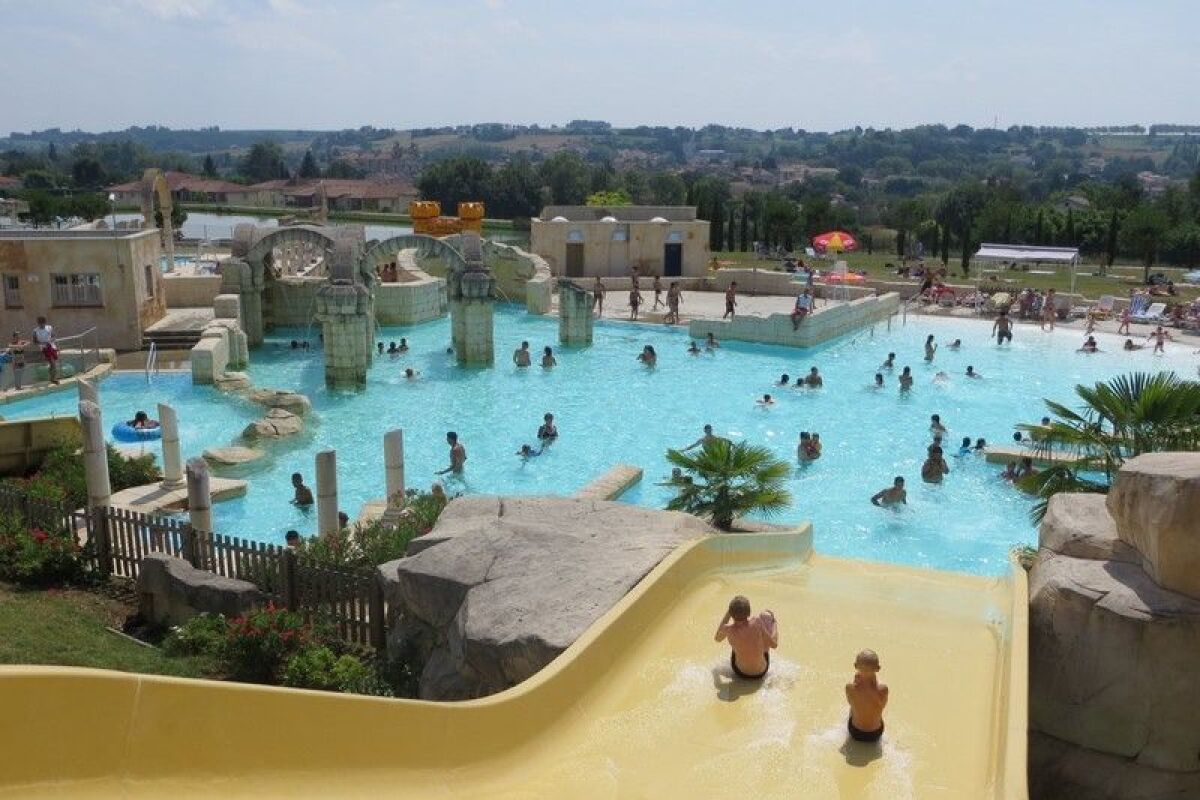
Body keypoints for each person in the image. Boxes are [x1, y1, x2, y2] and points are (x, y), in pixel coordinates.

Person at [714, 595, 778, 681]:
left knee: (737, 639)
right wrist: (774, 624)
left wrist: (728, 614)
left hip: (740, 672)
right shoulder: (756, 621)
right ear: (749, 613)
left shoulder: (727, 629)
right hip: (761, 673)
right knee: (766, 616)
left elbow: (717, 639)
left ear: (731, 614)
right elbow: (774, 645)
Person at [845, 649, 888, 744]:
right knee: (877, 707)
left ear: (855, 666)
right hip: (875, 734)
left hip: (855, 732)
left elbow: (850, 703)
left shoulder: (849, 687)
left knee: (853, 707)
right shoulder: (883, 689)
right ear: (878, 668)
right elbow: (883, 706)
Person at [32, 317, 58, 384]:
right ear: (38, 323)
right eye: (40, 324)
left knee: (53, 363)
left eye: (43, 323)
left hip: (52, 347)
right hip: (44, 348)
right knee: (53, 363)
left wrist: (50, 340)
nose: (41, 325)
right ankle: (53, 378)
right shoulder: (35, 331)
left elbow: (54, 336)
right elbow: (34, 341)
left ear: (45, 323)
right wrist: (42, 343)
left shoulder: (49, 327)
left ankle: (51, 377)